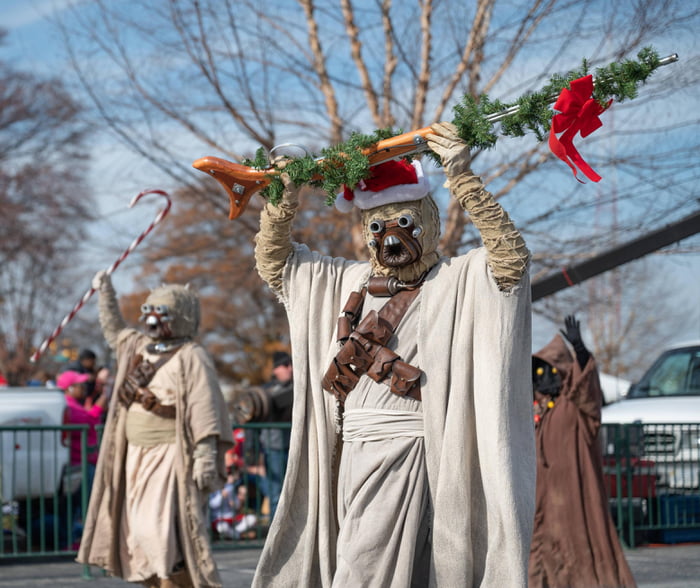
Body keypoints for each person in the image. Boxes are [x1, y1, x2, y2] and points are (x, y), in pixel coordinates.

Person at [251, 122, 535, 587]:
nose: (390, 237)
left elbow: (510, 263)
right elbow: (277, 265)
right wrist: (281, 205)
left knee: (361, 573)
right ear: (366, 229)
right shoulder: (345, 281)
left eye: (404, 224)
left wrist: (463, 178)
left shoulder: (455, 281)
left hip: (410, 449)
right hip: (349, 450)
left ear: (427, 222)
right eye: (378, 226)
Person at [76, 274, 233, 588]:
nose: (151, 319)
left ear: (179, 318)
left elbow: (205, 409)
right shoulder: (139, 346)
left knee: (159, 532)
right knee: (136, 533)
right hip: (133, 455)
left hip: (168, 457)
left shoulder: (192, 356)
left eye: (161, 313)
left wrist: (204, 456)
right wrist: (105, 293)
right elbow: (114, 330)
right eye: (150, 311)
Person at [529, 315, 636, 588]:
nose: (544, 381)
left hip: (576, 498)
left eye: (551, 372)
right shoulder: (534, 413)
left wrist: (580, 352)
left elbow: (586, 389)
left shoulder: (575, 408)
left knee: (580, 550)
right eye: (539, 375)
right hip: (542, 502)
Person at [259, 350, 293, 521]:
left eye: (291, 365)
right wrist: (251, 455)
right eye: (285, 365)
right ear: (275, 370)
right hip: (273, 448)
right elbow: (253, 423)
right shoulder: (266, 391)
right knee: (275, 494)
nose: (290, 369)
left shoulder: (299, 387)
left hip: (294, 446)